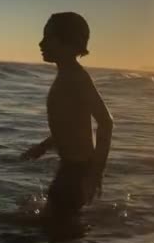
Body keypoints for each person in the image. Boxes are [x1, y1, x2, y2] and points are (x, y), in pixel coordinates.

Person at [21, 12, 113, 222]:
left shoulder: (76, 78)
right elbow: (71, 127)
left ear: (69, 43)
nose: (41, 43)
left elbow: (106, 122)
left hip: (76, 173)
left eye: (48, 38)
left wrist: (94, 175)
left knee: (58, 236)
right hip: (70, 170)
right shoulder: (66, 76)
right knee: (58, 230)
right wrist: (44, 146)